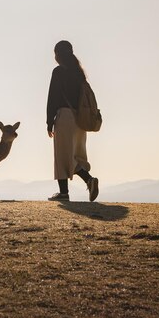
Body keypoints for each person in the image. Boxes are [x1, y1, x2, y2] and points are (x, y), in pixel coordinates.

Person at [46, 40, 99, 202]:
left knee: (63, 156)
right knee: (77, 155)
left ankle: (67, 191)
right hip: (80, 119)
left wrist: (49, 121)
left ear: (58, 55)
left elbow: (52, 98)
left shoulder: (58, 72)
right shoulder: (79, 73)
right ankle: (87, 181)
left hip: (65, 117)